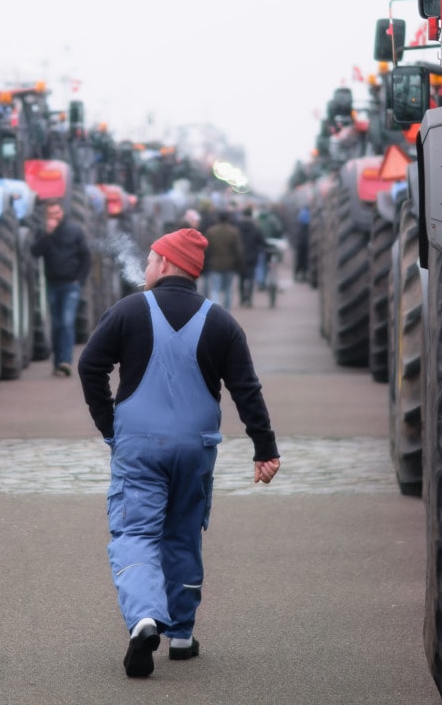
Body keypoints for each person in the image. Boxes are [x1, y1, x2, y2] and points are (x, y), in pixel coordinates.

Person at [77, 228, 280, 679]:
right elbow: (246, 390)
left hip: (139, 447)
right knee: (185, 533)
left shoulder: (127, 311)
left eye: (150, 260)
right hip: (196, 450)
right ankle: (183, 635)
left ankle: (145, 617)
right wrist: (264, 449)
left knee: (135, 533)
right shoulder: (222, 321)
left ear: (166, 264)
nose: (146, 268)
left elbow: (90, 365)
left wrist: (109, 426)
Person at [30, 200, 90, 376]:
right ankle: (57, 363)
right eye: (50, 214)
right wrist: (48, 234)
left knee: (66, 323)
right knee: (56, 325)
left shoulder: (74, 231)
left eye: (57, 213)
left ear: (62, 212)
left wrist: (79, 281)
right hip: (53, 285)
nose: (54, 217)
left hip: (71, 285)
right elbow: (34, 252)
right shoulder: (44, 233)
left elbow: (85, 257)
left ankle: (65, 361)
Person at [202, 211, 243, 309]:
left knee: (215, 289)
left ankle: (216, 310)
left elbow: (206, 249)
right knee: (228, 289)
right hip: (230, 264)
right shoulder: (234, 232)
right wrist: (239, 264)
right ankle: (227, 310)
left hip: (215, 264)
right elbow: (238, 250)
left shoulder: (211, 231)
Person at [234, 207, 265, 307]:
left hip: (240, 257)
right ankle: (249, 300)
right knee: (251, 279)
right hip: (252, 257)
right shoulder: (255, 228)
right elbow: (262, 242)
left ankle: (242, 299)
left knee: (241, 279)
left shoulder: (237, 227)